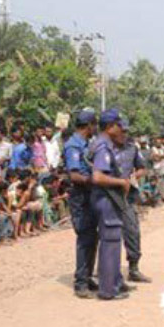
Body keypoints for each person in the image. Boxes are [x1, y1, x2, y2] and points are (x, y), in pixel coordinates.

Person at [90, 109, 132, 300]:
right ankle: (108, 290)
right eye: (117, 125)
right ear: (109, 127)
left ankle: (113, 283)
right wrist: (121, 183)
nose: (120, 129)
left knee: (112, 243)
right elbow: (98, 177)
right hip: (106, 199)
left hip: (105, 199)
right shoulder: (103, 147)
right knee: (111, 244)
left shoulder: (100, 144)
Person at [64, 109, 99, 299]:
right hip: (80, 196)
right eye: (94, 125)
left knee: (93, 237)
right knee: (85, 238)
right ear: (88, 126)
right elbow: (75, 175)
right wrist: (95, 180)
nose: (95, 129)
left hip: (89, 195)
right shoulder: (73, 146)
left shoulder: (86, 144)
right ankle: (80, 283)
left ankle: (87, 276)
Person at [115, 123, 152, 283]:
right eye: (121, 131)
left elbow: (143, 168)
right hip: (108, 195)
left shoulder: (132, 148)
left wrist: (134, 176)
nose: (124, 134)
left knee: (132, 231)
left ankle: (133, 268)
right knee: (107, 235)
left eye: (126, 132)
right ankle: (106, 271)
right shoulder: (105, 148)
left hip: (126, 197)